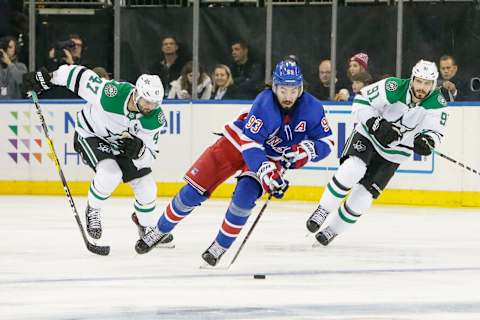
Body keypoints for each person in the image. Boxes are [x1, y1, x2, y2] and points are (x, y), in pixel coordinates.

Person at [134, 60, 334, 266]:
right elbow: (250, 143)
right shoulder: (264, 103)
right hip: (235, 143)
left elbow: (327, 142)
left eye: (293, 90)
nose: (288, 96)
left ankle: (220, 246)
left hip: (272, 157)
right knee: (192, 191)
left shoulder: (312, 108)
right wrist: (266, 172)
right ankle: (159, 230)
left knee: (243, 199)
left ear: (300, 88)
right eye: (283, 90)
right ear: (274, 87)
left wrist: (304, 154)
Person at [22, 64, 173, 245]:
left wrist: (139, 151)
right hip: (91, 135)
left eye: (155, 103)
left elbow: (150, 155)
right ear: (136, 94)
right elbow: (78, 75)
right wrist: (49, 78)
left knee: (147, 186)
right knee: (110, 174)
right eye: (147, 101)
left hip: (121, 145)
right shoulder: (112, 93)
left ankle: (147, 226)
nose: (150, 107)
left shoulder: (155, 119)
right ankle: (93, 209)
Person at [305, 59, 448, 246]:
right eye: (419, 81)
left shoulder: (437, 103)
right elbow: (361, 101)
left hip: (394, 154)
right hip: (368, 137)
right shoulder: (394, 86)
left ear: (434, 84)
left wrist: (427, 141)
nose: (422, 87)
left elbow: (435, 132)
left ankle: (333, 230)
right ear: (412, 78)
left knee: (364, 196)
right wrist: (375, 123)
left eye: (427, 83)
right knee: (352, 169)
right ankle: (323, 210)